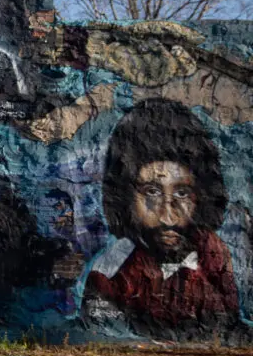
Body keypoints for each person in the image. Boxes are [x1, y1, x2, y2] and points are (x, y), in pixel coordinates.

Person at [83, 99, 239, 331]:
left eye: (182, 193)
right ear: (125, 197)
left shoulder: (213, 254)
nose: (168, 217)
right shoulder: (109, 274)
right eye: (152, 192)